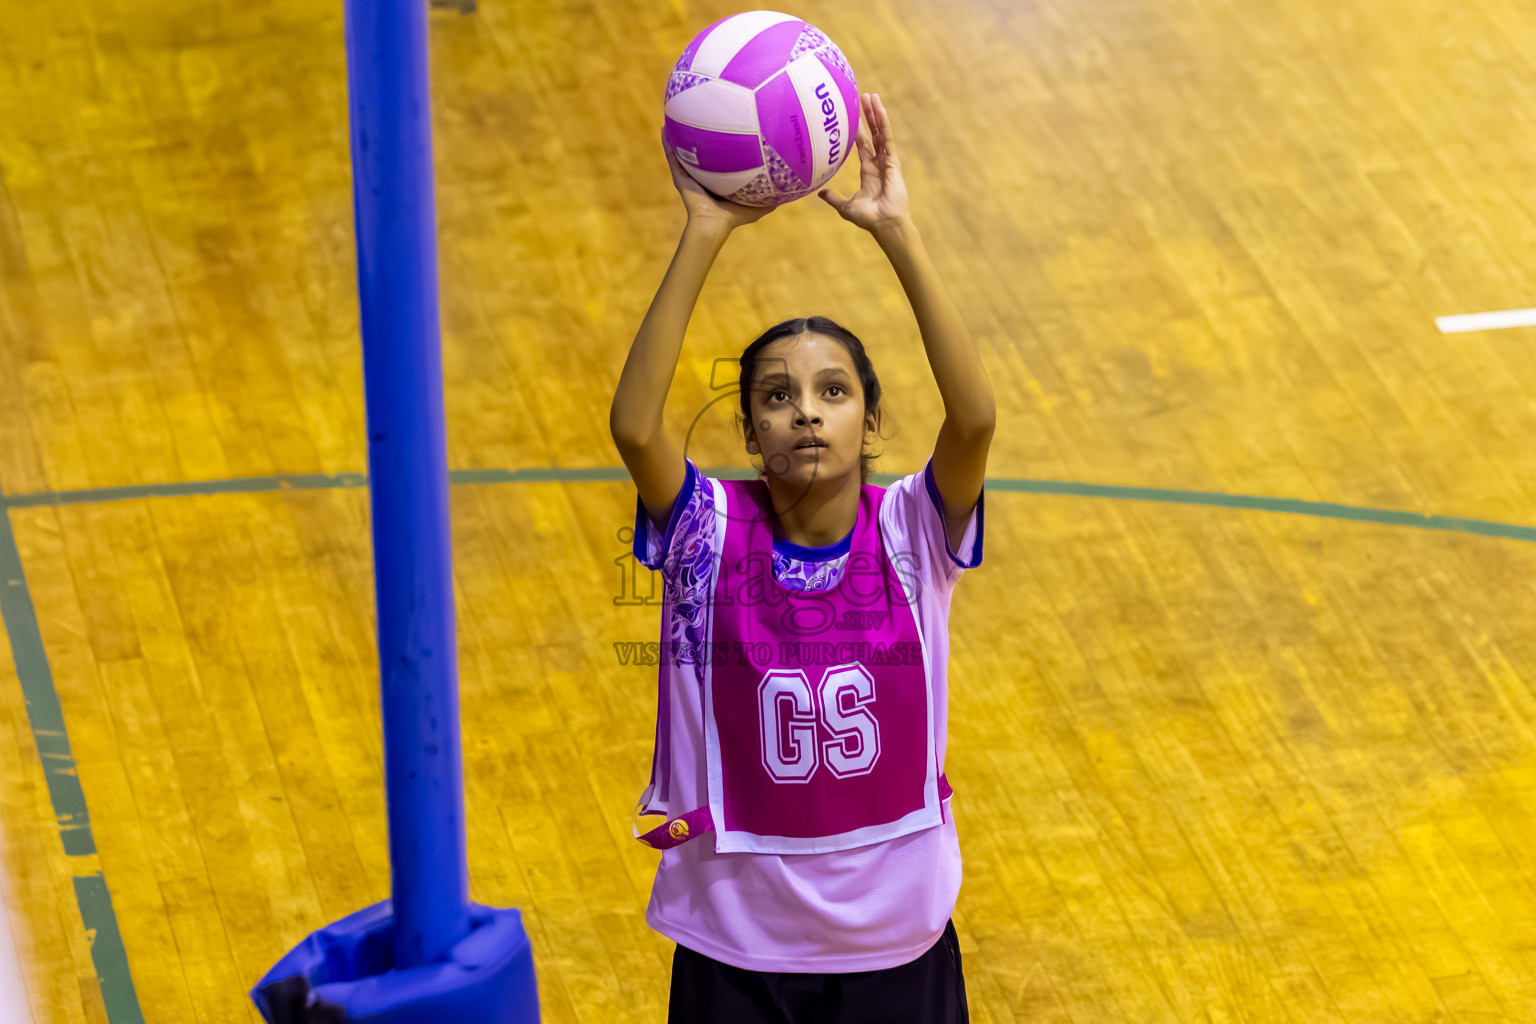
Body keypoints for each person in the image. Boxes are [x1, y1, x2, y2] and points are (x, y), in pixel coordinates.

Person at [609, 91, 995, 1024]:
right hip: (736, 943)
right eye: (777, 397)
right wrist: (706, 227)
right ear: (748, 430)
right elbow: (634, 425)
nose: (807, 410)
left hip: (894, 940)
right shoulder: (706, 528)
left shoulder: (912, 529)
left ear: (870, 422)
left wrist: (896, 229)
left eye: (833, 391)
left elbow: (975, 418)